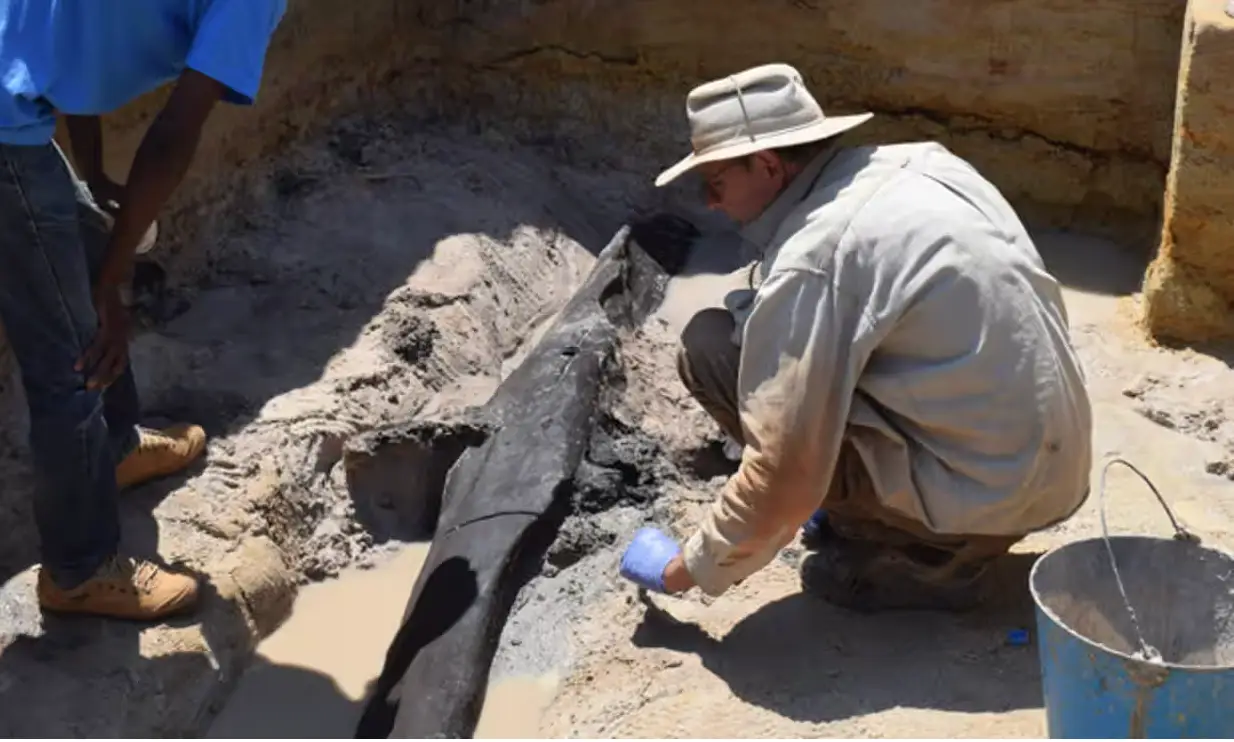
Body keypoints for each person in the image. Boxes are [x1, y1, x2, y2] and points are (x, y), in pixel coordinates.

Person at [619, 63, 1093, 612]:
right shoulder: (926, 163)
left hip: (987, 499)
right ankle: (903, 519)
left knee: (710, 349)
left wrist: (686, 570)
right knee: (766, 351)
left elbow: (782, 470)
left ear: (769, 164)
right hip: (1054, 471)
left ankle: (928, 561)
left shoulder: (819, 254)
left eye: (716, 182)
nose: (710, 202)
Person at [0, 0, 286, 620]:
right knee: (74, 355)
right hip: (5, 128)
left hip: (13, 97)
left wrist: (93, 172)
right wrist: (111, 285)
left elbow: (71, 39)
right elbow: (175, 131)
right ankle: (77, 569)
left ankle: (115, 448)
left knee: (84, 237)